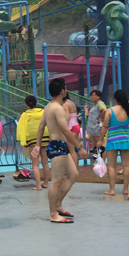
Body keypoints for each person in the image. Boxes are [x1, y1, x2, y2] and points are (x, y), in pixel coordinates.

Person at [32, 78, 88, 223]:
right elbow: (65, 130)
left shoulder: (48, 107)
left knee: (73, 174)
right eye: (66, 88)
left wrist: (38, 145)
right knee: (56, 181)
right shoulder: (57, 108)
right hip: (57, 145)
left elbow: (41, 127)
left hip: (59, 145)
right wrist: (79, 147)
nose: (66, 90)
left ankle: (57, 204)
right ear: (62, 91)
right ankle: (53, 214)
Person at [97, 89, 129, 196]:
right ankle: (125, 189)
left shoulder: (110, 111)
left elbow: (105, 127)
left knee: (111, 166)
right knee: (126, 166)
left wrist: (100, 140)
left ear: (115, 99)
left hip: (112, 140)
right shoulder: (127, 110)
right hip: (126, 140)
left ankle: (112, 190)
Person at [17, 96, 50, 190]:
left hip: (32, 140)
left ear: (26, 104)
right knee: (45, 163)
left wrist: (23, 141)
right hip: (45, 137)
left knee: (35, 164)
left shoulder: (25, 115)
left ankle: (38, 185)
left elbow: (21, 129)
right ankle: (46, 183)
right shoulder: (43, 111)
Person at [85, 89, 107, 160]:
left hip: (97, 127)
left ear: (99, 96)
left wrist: (100, 118)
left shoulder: (100, 103)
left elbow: (104, 110)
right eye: (91, 96)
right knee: (95, 145)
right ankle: (99, 161)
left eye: (94, 95)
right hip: (93, 127)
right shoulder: (95, 105)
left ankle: (103, 161)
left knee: (100, 144)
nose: (92, 97)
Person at [63, 93, 80, 167]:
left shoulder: (65, 105)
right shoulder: (72, 103)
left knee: (71, 150)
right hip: (76, 125)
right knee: (74, 149)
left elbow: (68, 117)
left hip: (71, 126)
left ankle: (74, 168)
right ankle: (75, 167)